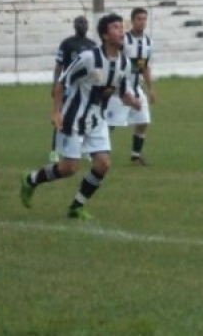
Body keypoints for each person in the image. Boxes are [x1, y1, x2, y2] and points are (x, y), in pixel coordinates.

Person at [20, 13, 141, 220]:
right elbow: (62, 82)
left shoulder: (124, 63)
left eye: (122, 27)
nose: (121, 31)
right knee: (69, 168)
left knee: (103, 164)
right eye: (115, 27)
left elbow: (122, 90)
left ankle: (76, 207)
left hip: (97, 119)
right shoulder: (88, 58)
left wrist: (132, 101)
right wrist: (56, 111)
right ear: (104, 35)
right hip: (74, 117)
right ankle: (31, 180)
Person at [106, 8, 156, 166]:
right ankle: (97, 151)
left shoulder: (149, 42)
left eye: (144, 19)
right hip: (120, 88)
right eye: (139, 19)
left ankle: (135, 156)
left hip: (136, 87)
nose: (142, 22)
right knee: (111, 123)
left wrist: (151, 88)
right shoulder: (123, 40)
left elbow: (146, 67)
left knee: (144, 121)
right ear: (132, 21)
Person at [48, 16, 96, 163]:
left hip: (86, 89)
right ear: (74, 26)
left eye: (84, 23)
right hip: (69, 87)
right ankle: (55, 150)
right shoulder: (67, 43)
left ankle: (85, 149)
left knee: (86, 117)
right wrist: (55, 84)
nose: (82, 25)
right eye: (79, 23)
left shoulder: (92, 45)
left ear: (88, 26)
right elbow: (59, 66)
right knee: (61, 116)